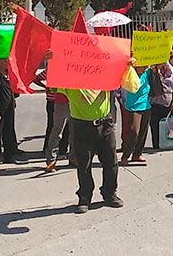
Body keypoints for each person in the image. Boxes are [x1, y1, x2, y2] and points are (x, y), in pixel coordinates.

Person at [44, 50, 126, 214]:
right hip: (81, 126)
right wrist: (51, 62)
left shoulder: (105, 78)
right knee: (84, 164)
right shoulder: (71, 81)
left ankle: (110, 194)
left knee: (111, 162)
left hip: (106, 124)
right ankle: (84, 198)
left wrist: (129, 63)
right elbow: (53, 85)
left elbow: (126, 77)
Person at [35, 69, 72, 172]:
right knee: (57, 130)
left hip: (75, 100)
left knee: (74, 130)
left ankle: (74, 157)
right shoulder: (56, 66)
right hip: (62, 100)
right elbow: (52, 87)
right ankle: (51, 160)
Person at [120, 66, 152, 165]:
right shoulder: (130, 72)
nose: (145, 66)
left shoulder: (147, 72)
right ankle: (126, 155)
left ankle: (137, 154)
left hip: (146, 105)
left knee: (143, 131)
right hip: (133, 106)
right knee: (134, 131)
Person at [149, 63, 173, 150]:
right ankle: (156, 144)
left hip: (167, 103)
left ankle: (166, 142)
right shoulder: (153, 74)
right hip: (155, 103)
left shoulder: (171, 75)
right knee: (154, 124)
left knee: (167, 125)